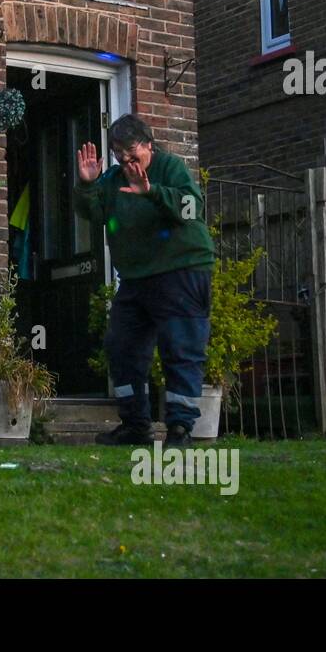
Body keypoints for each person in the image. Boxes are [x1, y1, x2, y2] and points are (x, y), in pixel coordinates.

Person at [73, 114, 216, 448]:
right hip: (137, 278)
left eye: (132, 153)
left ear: (149, 145)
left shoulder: (170, 168)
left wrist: (151, 191)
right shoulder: (112, 179)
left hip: (182, 270)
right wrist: (87, 184)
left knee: (179, 348)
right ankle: (136, 425)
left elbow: (192, 208)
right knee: (121, 348)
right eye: (119, 154)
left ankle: (180, 429)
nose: (126, 161)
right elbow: (92, 213)